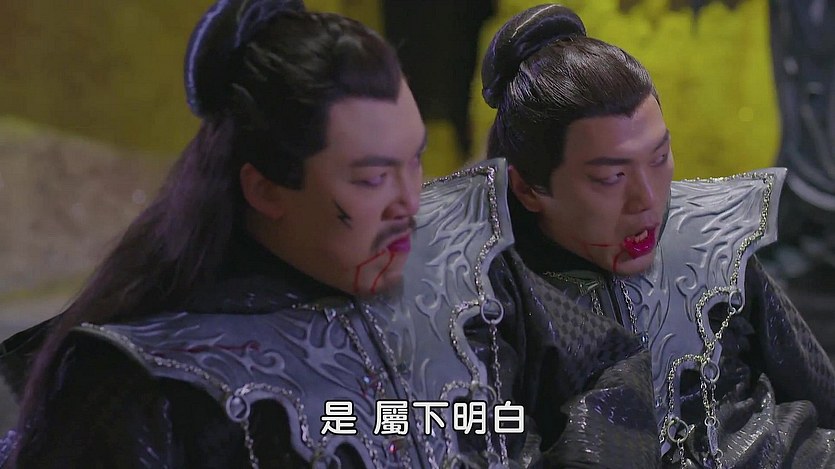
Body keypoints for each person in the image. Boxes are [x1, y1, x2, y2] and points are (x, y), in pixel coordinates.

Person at [0, 0, 660, 467]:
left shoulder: (463, 271)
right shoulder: (145, 381)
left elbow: (605, 367)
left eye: (414, 161)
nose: (410, 203)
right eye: (370, 178)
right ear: (265, 188)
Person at [481, 4, 835, 468]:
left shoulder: (710, 243)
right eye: (610, 178)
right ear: (528, 188)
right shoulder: (491, 302)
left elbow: (818, 390)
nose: (648, 199)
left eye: (659, 157)